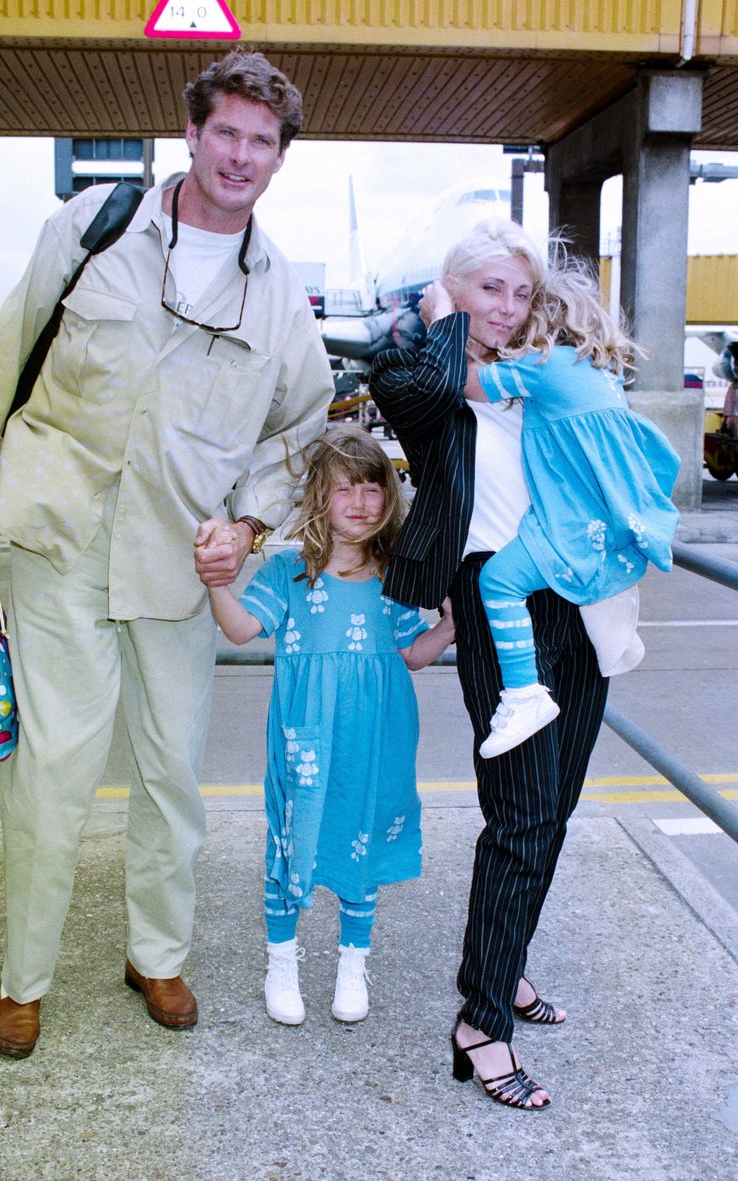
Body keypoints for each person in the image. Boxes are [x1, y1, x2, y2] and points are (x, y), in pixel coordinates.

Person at [0, 50, 334, 1059]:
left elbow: (301, 433)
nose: (241, 155)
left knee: (173, 774)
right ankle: (22, 978)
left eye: (262, 141)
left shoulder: (282, 294)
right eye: (227, 133)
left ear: (281, 158)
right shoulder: (92, 226)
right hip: (58, 533)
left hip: (178, 561)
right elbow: (8, 347)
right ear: (193, 133)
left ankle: (156, 954)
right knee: (54, 771)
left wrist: (245, 527)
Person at [369, 219, 624, 1110]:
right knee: (517, 814)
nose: (507, 310)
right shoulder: (416, 366)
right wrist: (442, 311)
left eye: (520, 293)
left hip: (576, 597)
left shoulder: (537, 370)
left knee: (552, 811)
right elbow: (423, 391)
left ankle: (501, 964)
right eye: (489, 290)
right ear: (452, 289)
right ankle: (480, 1023)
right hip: (490, 599)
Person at [205, 425, 455, 1026]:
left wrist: (452, 622)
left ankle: (352, 961)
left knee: (362, 832)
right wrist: (217, 585)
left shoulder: (398, 577)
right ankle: (282, 961)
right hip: (306, 735)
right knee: (291, 833)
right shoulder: (290, 576)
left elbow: (413, 654)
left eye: (373, 487)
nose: (361, 502)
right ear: (319, 498)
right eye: (345, 489)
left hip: (377, 734)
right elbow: (241, 630)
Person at [453, 262, 681, 758]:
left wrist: (441, 318)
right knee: (589, 577)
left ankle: (524, 695)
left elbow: (467, 382)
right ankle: (617, 637)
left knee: (498, 581)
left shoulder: (543, 366)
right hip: (608, 516)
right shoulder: (599, 372)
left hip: (572, 521)